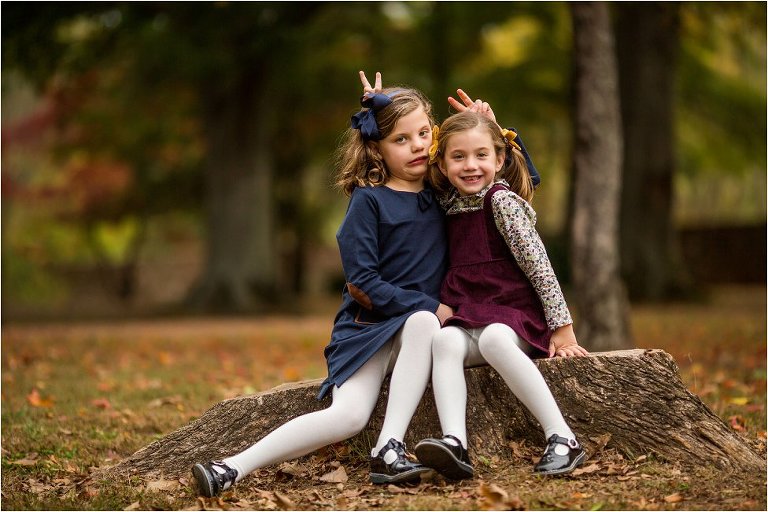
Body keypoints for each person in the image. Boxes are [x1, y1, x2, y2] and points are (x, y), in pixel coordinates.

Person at [191, 72, 455, 497]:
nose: (418, 145)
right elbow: (362, 283)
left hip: (419, 336)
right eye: (401, 139)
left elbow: (508, 184)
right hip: (368, 331)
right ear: (377, 148)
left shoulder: (445, 192)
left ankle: (389, 447)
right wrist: (430, 306)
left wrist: (492, 129)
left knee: (423, 324)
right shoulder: (369, 201)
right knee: (348, 416)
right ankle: (231, 467)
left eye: (424, 133)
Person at [413, 109, 589, 481]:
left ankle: (562, 436)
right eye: (458, 156)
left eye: (481, 155)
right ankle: (455, 443)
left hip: (515, 314)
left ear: (499, 159)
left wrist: (563, 329)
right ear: (442, 165)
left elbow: (539, 266)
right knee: (443, 341)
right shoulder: (450, 204)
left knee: (494, 338)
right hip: (471, 314)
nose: (470, 165)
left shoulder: (502, 201)